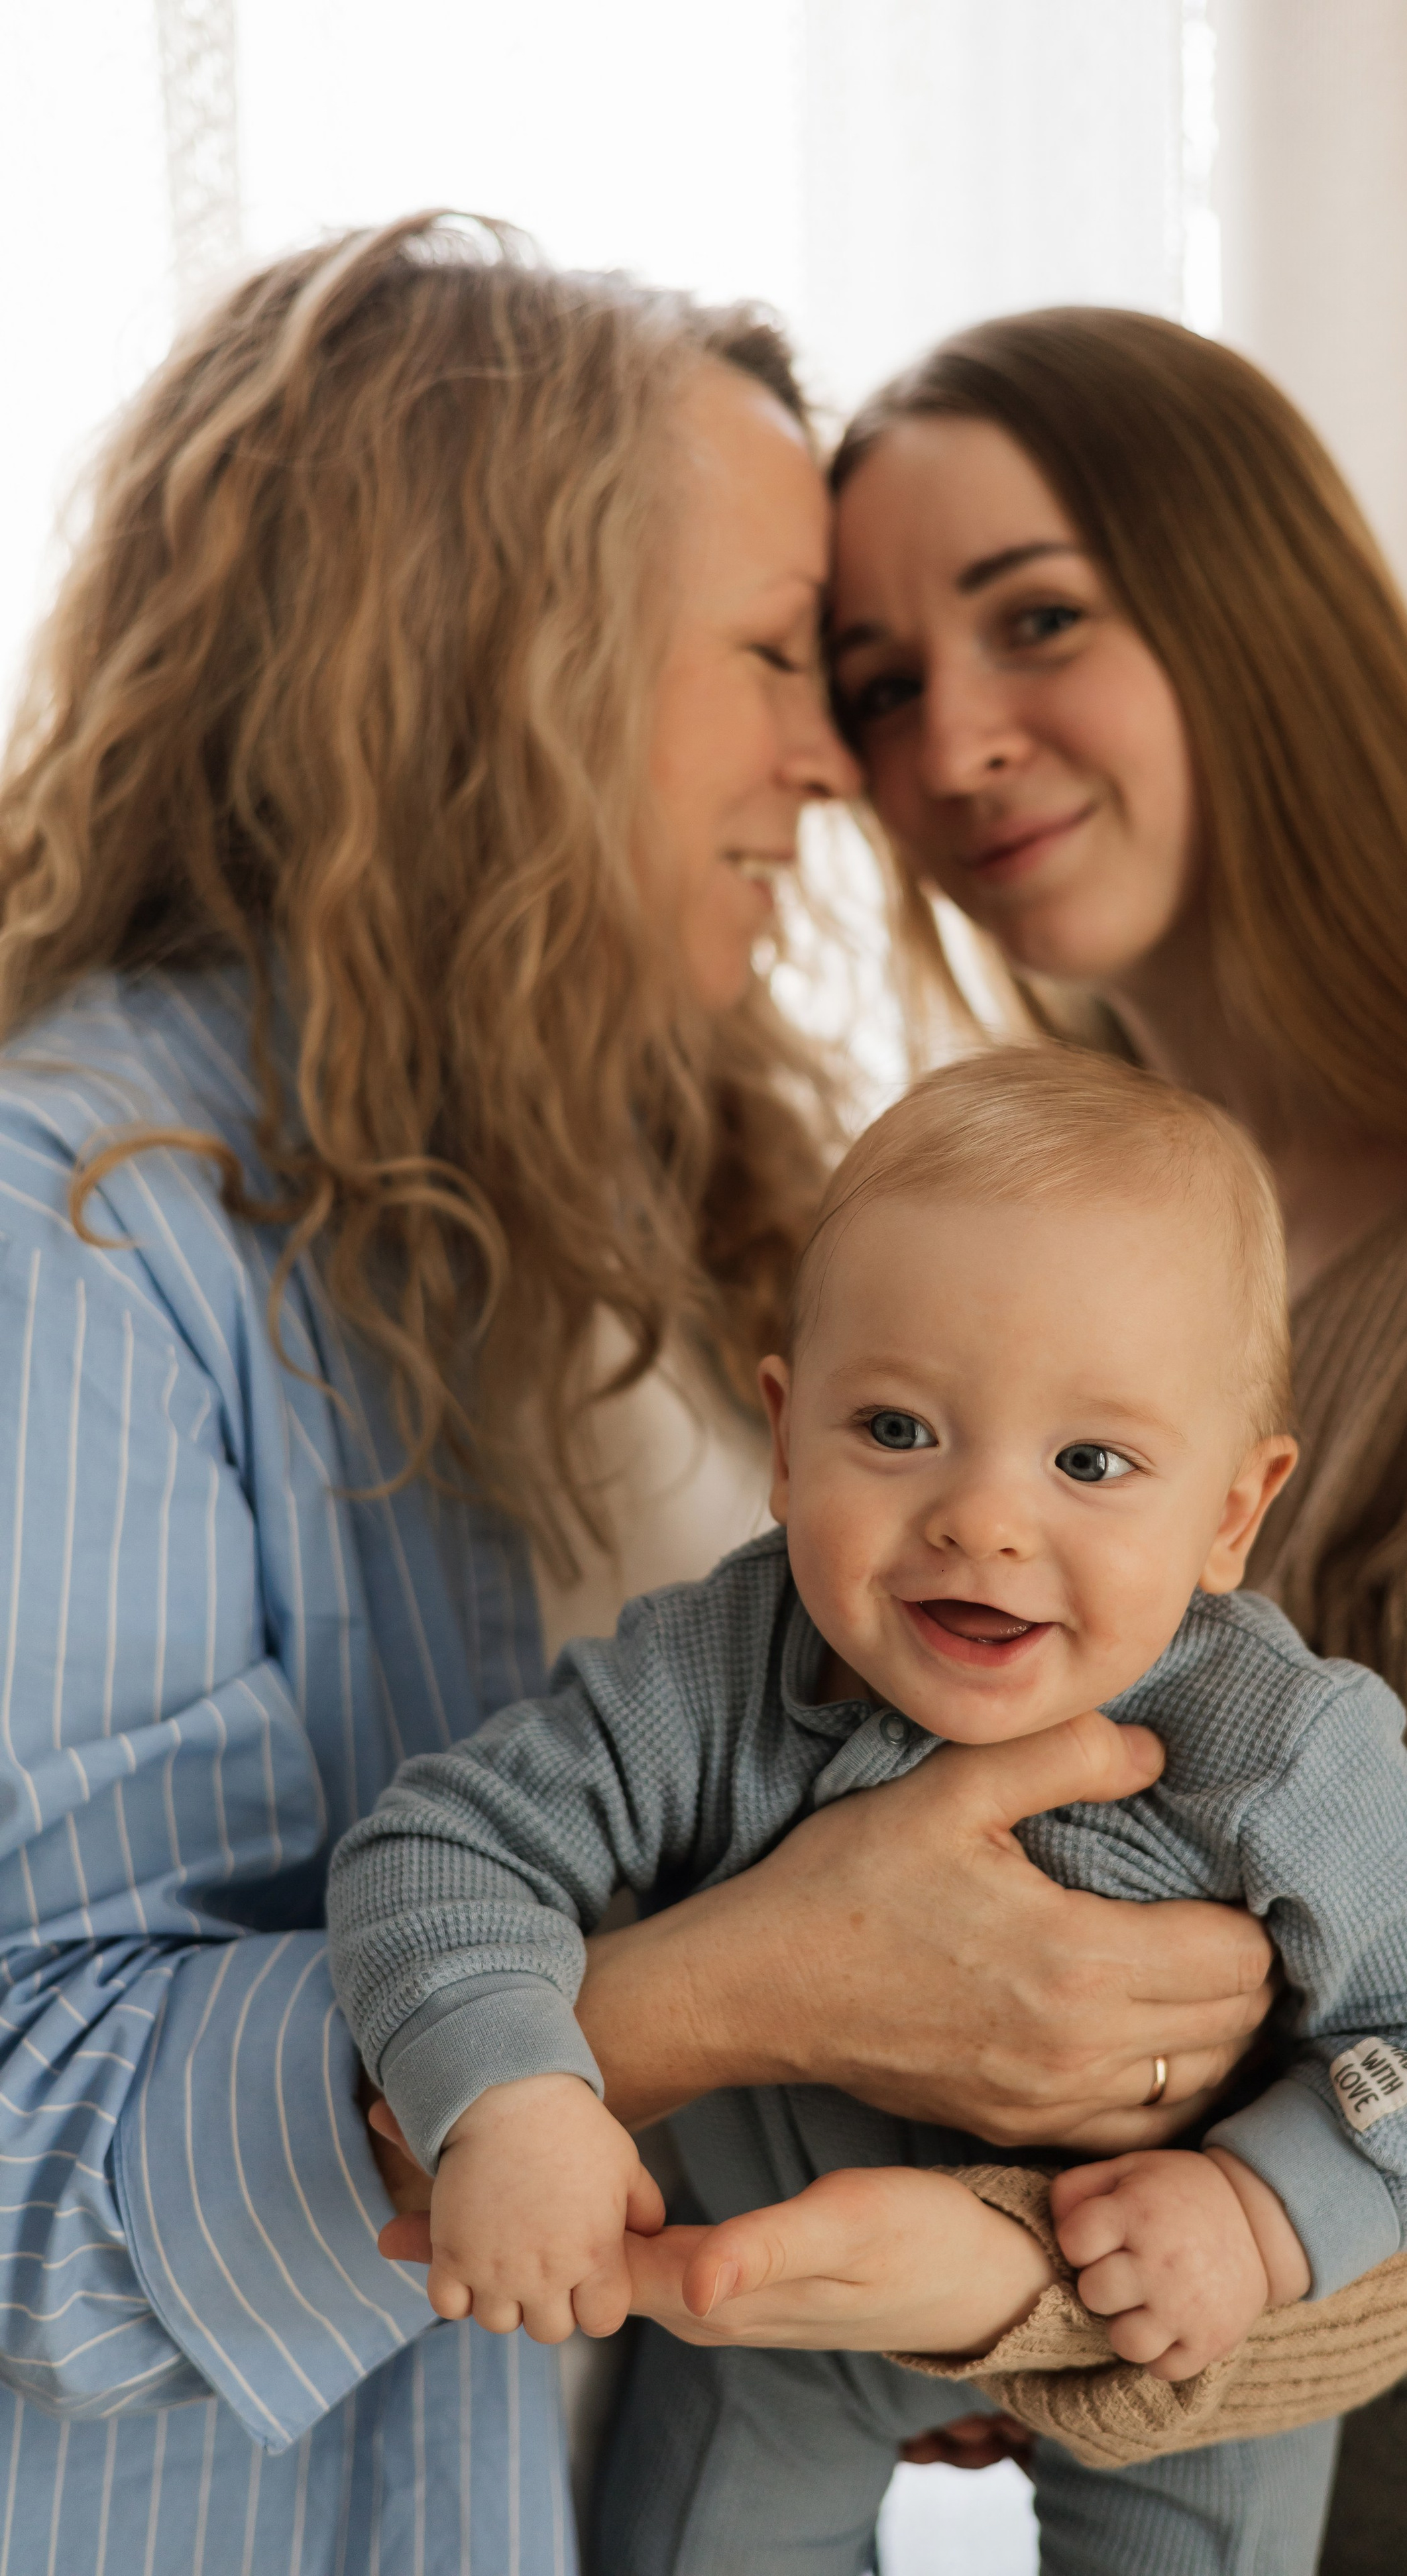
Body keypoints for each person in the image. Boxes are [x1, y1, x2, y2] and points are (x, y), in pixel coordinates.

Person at [0, 228, 1281, 2569]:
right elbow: (24, 2149)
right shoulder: (74, 1237)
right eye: (785, 657)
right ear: (514, 662)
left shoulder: (673, 1181)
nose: (839, 762)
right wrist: (743, 1997)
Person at [777, 309, 1407, 2567]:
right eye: (885, 681)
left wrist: (1051, 2289)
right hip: (1224, 2422)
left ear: (1254, 624)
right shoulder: (1059, 1282)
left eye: (1037, 621)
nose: (957, 743)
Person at [327, 1046, 1407, 2576]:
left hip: (1158, 2317)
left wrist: (1257, 2209)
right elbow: (442, 1850)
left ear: (1231, 1512)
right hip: (754, 2313)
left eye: (1090, 1462)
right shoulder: (717, 1664)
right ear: (785, 1440)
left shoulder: (1276, 1746)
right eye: (896, 1431)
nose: (982, 1518)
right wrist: (511, 2096)